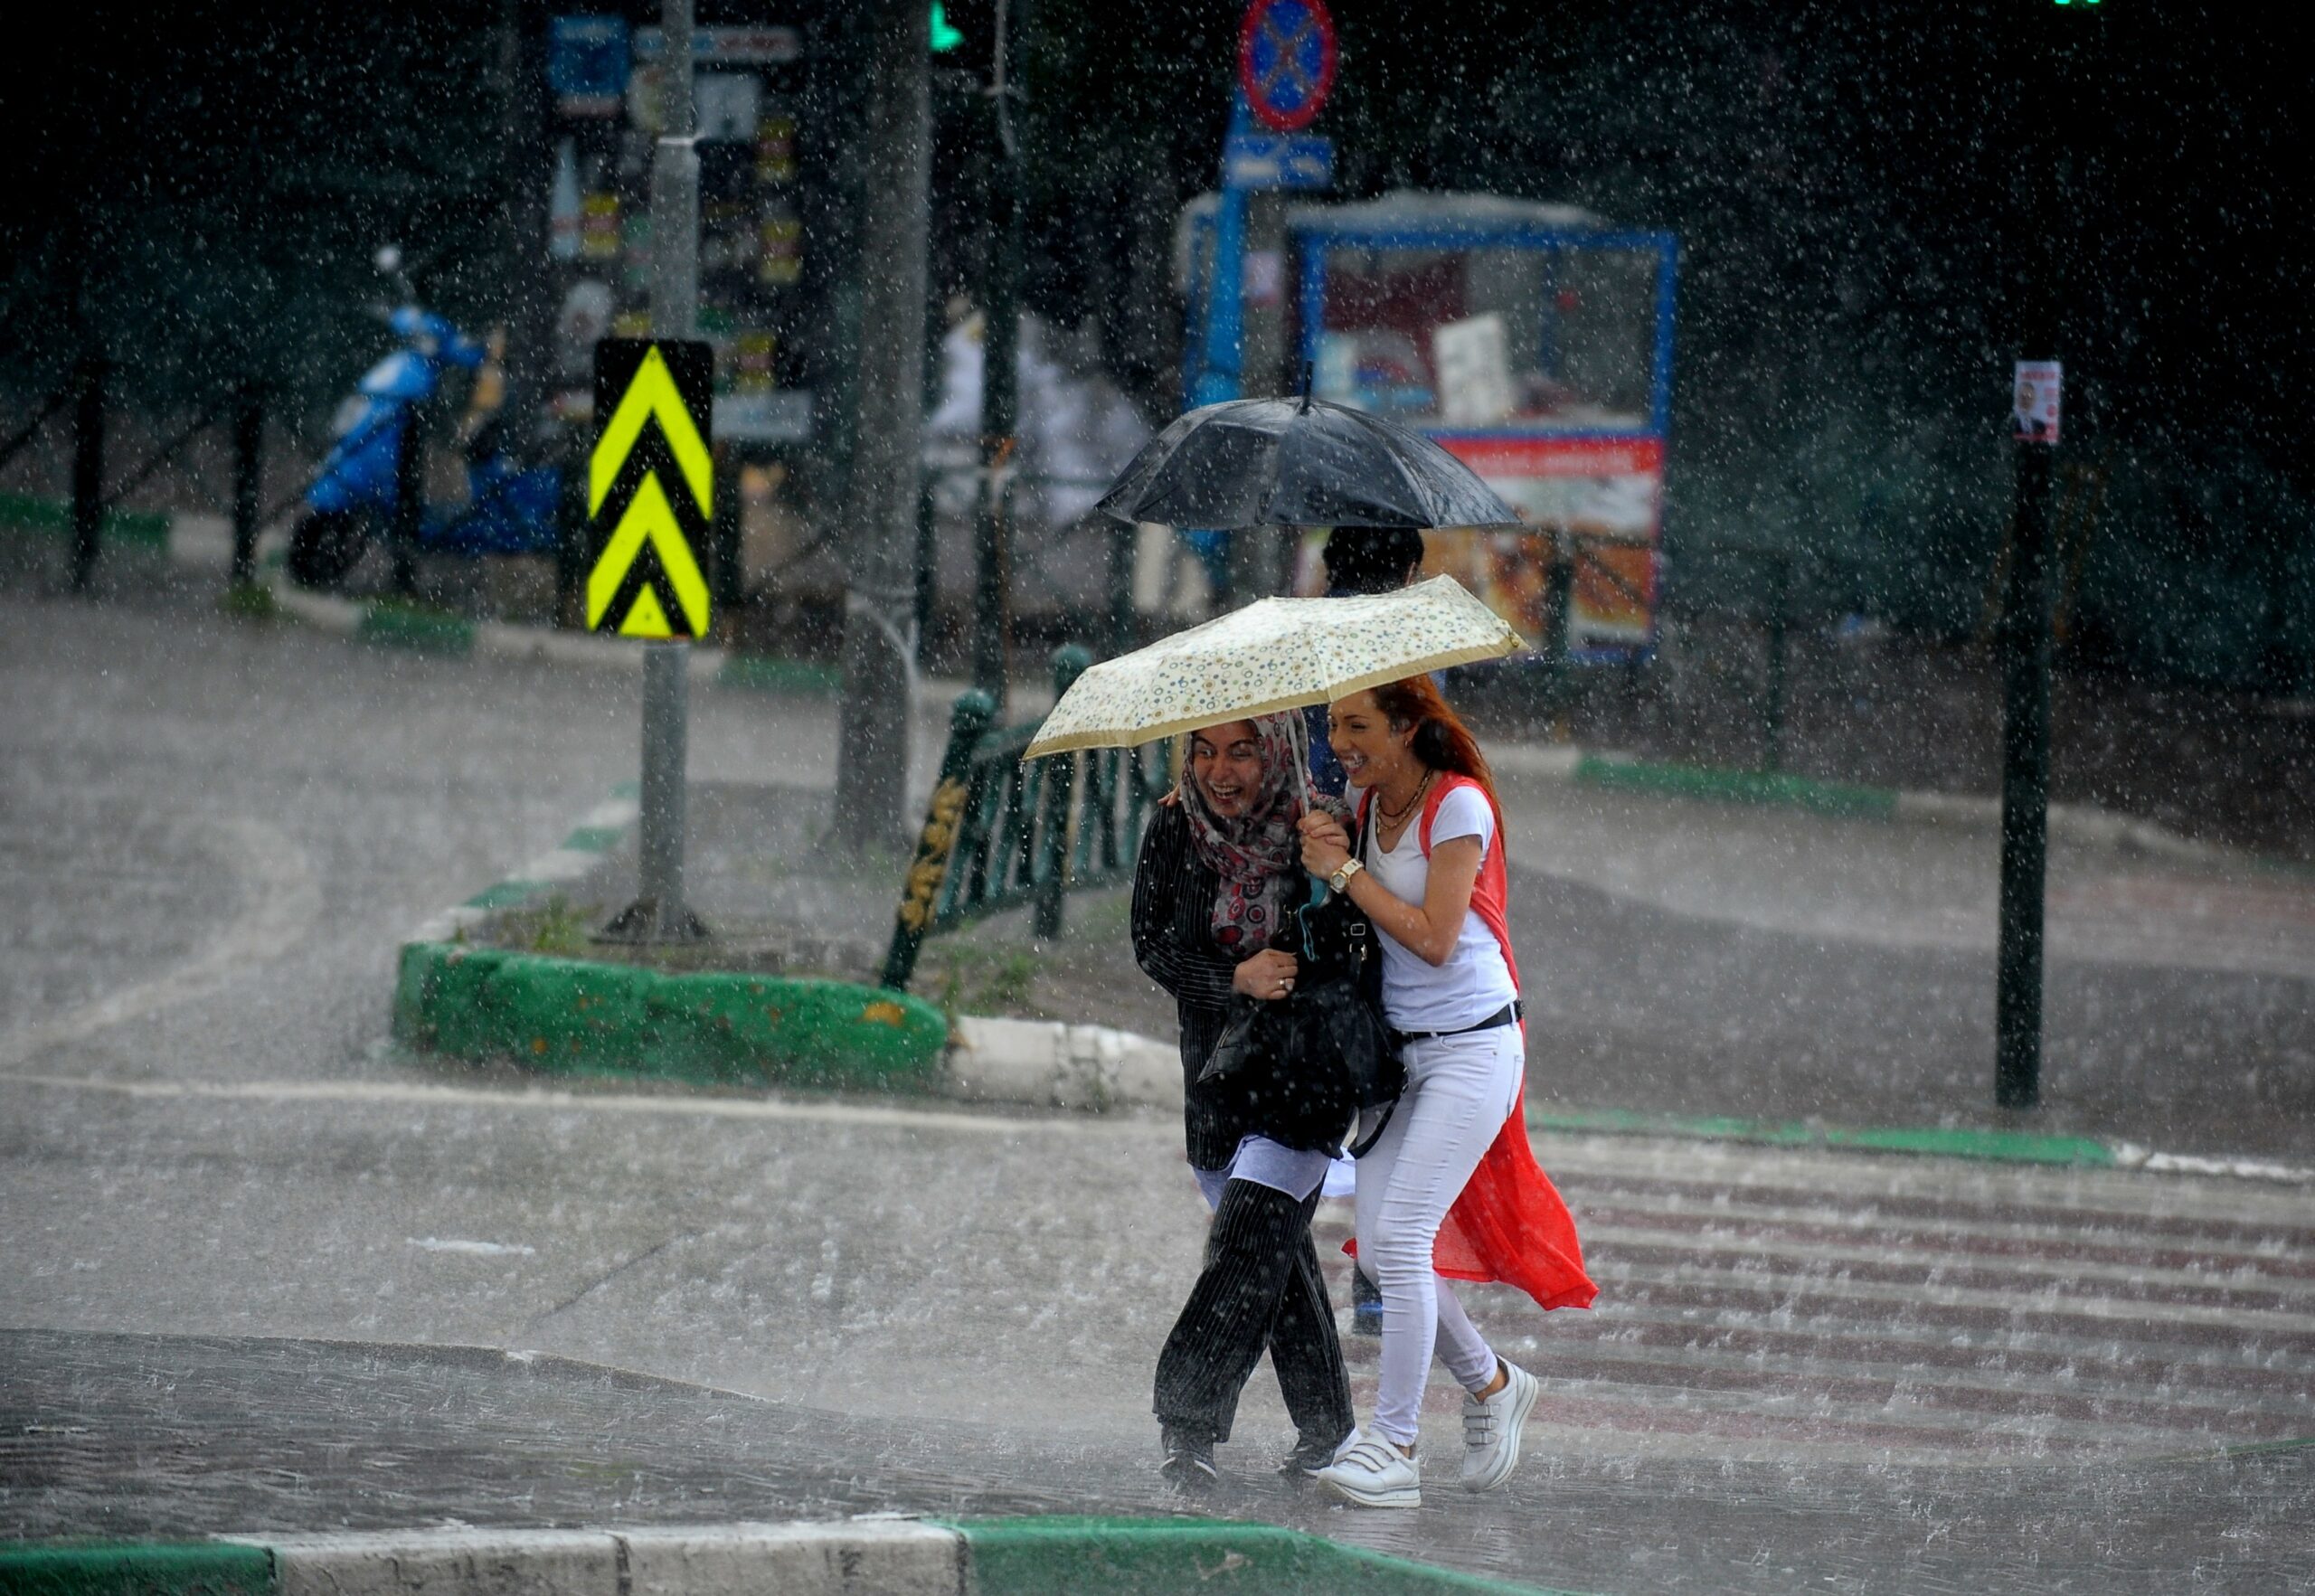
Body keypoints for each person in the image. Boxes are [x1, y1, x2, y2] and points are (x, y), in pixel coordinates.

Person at [1296, 675, 1596, 1508]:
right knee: (1384, 1248)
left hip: (1473, 1050)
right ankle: (1494, 1383)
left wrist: (1347, 868)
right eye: (1332, 726)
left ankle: (1393, 1446)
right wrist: (1326, 846)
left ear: (1406, 728)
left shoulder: (1456, 804)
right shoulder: (1365, 808)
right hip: (1402, 1062)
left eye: (1357, 726)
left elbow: (1432, 938)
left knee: (1401, 1243)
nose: (1341, 742)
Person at [1130, 713, 1356, 1491]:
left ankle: (1186, 1423)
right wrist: (1234, 978)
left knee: (1246, 1244)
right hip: (1216, 1083)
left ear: (1279, 750)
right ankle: (1329, 1431)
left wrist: (1331, 882)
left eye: (1243, 751)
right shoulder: (1172, 828)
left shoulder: (1323, 826)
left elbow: (1357, 949)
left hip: (1303, 1080)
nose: (1221, 771)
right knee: (1277, 1259)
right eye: (1205, 750)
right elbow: (1153, 943)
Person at [1306, 524, 1428, 1335]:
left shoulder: (1302, 635)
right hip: (1386, 857)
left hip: (1311, 854)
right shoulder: (1411, 645)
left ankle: (1268, 1214)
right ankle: (1378, 1277)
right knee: (1389, 1074)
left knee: (1319, 1058)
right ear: (1408, 566)